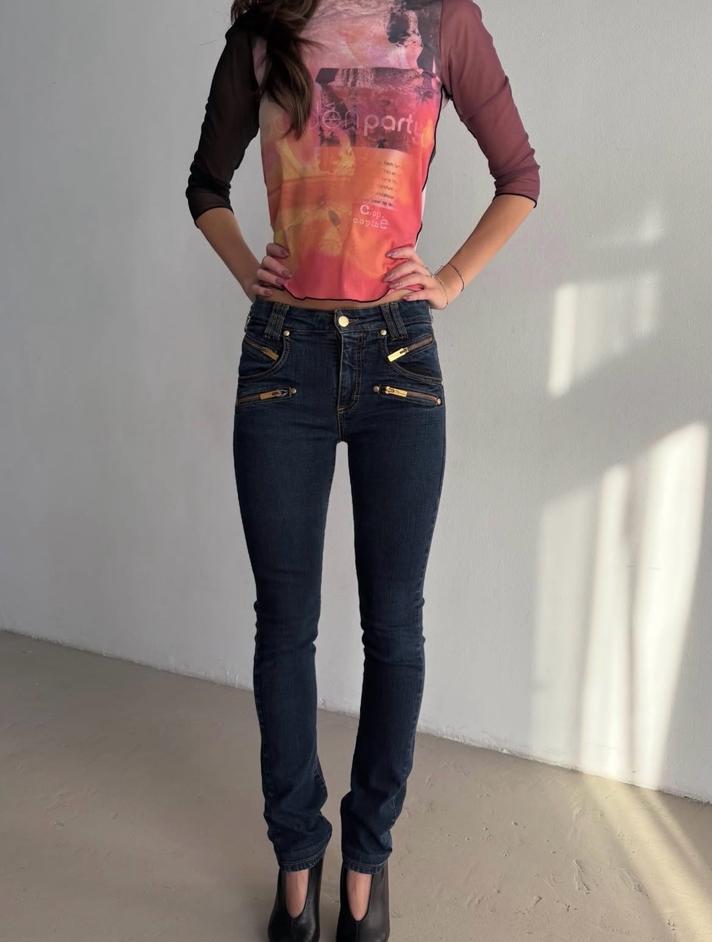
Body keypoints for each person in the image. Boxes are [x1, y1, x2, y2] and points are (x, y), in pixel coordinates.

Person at [185, 0, 540, 937]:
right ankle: (297, 858)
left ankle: (367, 861)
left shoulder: (443, 20)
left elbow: (520, 176)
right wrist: (247, 267)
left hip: (398, 357)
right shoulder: (264, 27)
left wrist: (449, 280)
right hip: (283, 358)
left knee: (395, 628)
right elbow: (206, 184)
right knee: (284, 628)